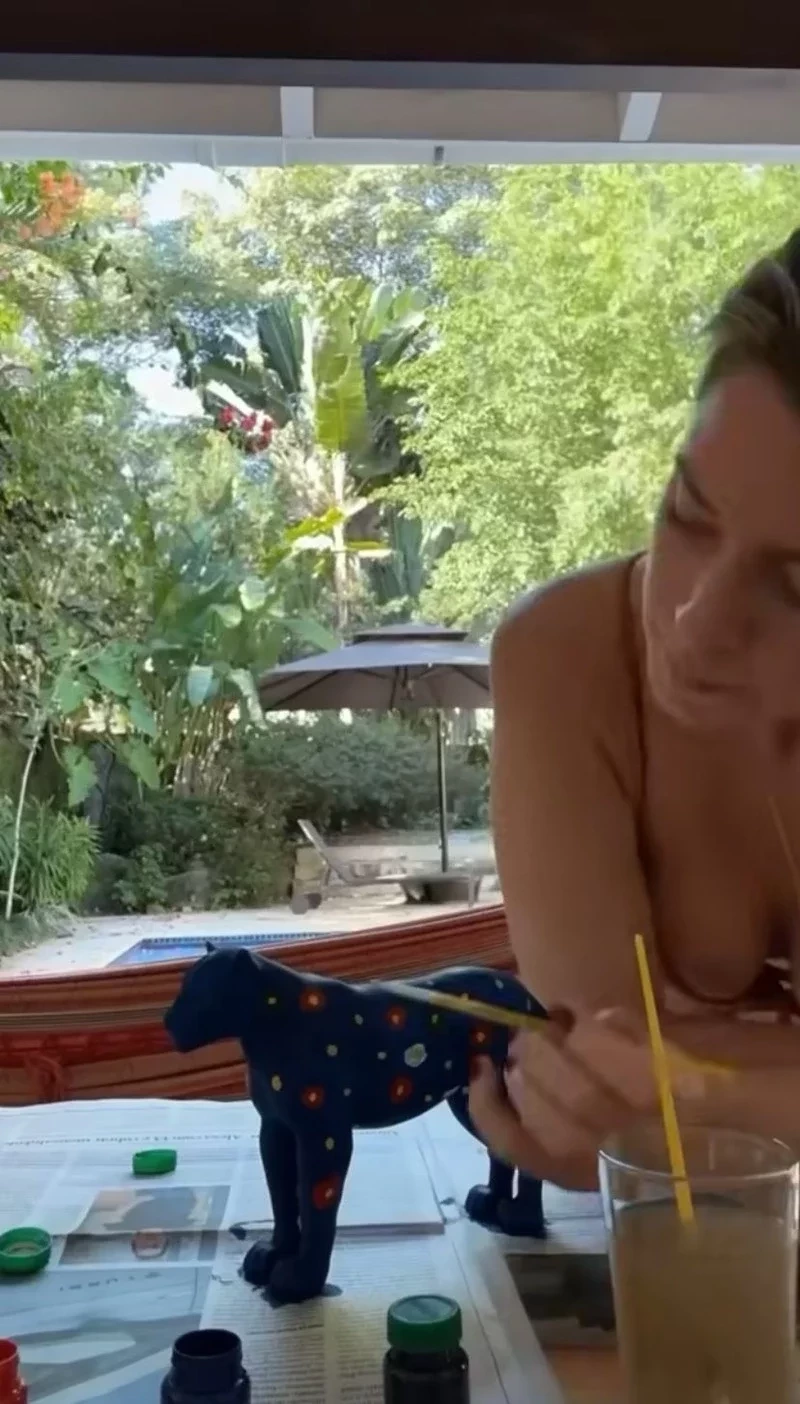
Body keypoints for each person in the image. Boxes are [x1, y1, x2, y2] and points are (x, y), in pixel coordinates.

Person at [470, 228, 800, 1191]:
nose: (696, 622)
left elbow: (638, 1105)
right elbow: (594, 1099)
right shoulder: (569, 654)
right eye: (689, 514)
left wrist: (689, 1087)